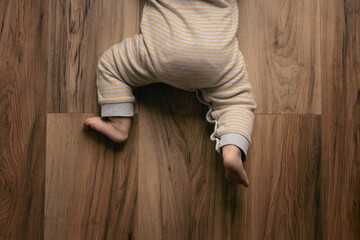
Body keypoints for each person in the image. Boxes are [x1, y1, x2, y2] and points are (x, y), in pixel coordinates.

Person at [83, 0, 257, 187]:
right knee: (236, 102)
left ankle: (119, 124)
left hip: (161, 50)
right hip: (215, 57)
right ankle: (232, 150)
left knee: (111, 66)